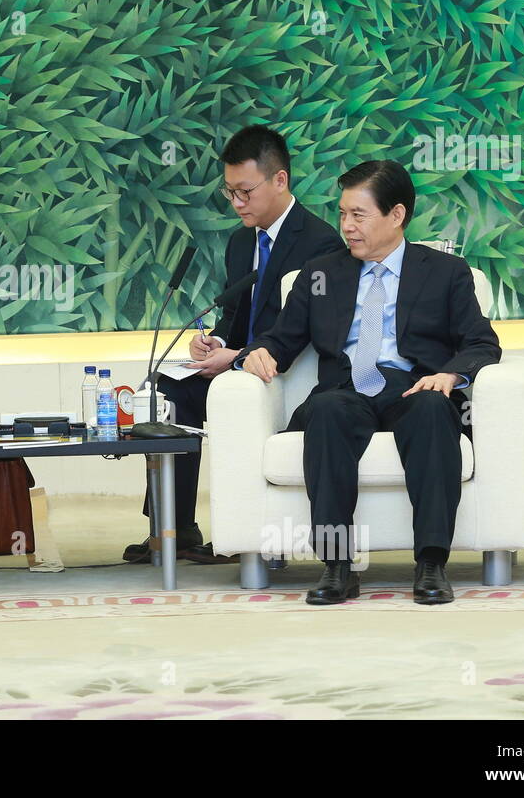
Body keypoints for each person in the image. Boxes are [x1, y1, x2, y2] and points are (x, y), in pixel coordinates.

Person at [236, 160, 501, 605]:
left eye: (358, 215)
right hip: (346, 389)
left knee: (435, 409)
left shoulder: (446, 272)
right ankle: (338, 566)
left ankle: (431, 563)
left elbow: (482, 342)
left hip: (414, 386)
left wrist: (450, 375)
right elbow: (281, 339)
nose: (346, 226)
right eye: (342, 214)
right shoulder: (319, 274)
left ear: (396, 215)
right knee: (325, 410)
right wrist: (258, 352)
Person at [123, 126, 343, 564]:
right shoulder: (241, 241)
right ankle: (173, 526)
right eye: (229, 193)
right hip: (236, 361)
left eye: (245, 191)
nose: (237, 203)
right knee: (166, 390)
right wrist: (217, 341)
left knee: (226, 394)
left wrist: (238, 358)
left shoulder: (321, 243)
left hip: (280, 370)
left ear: (279, 180)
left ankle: (242, 532)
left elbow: (302, 330)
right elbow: (236, 310)